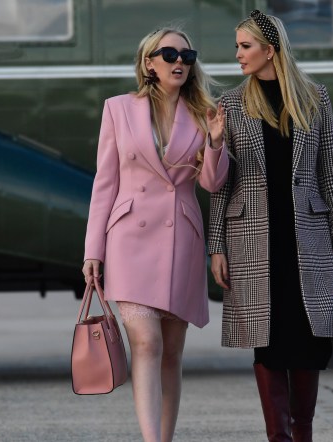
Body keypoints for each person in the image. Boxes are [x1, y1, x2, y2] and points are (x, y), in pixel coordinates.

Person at [208, 10, 333, 442]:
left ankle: (302, 434)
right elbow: (221, 185)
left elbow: (331, 173)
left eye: (245, 46)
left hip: (307, 236)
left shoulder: (315, 98)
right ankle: (279, 437)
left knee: (309, 340)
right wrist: (216, 245)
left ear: (270, 50)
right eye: (237, 46)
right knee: (268, 340)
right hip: (251, 238)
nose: (238, 55)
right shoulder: (232, 104)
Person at [82, 27, 228, 442]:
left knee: (171, 354)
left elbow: (213, 185)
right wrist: (94, 249)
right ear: (149, 62)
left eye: (186, 55)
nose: (179, 61)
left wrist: (216, 144)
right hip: (128, 239)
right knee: (145, 343)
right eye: (168, 54)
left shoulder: (205, 114)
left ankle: (164, 437)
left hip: (179, 239)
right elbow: (104, 183)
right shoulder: (118, 109)